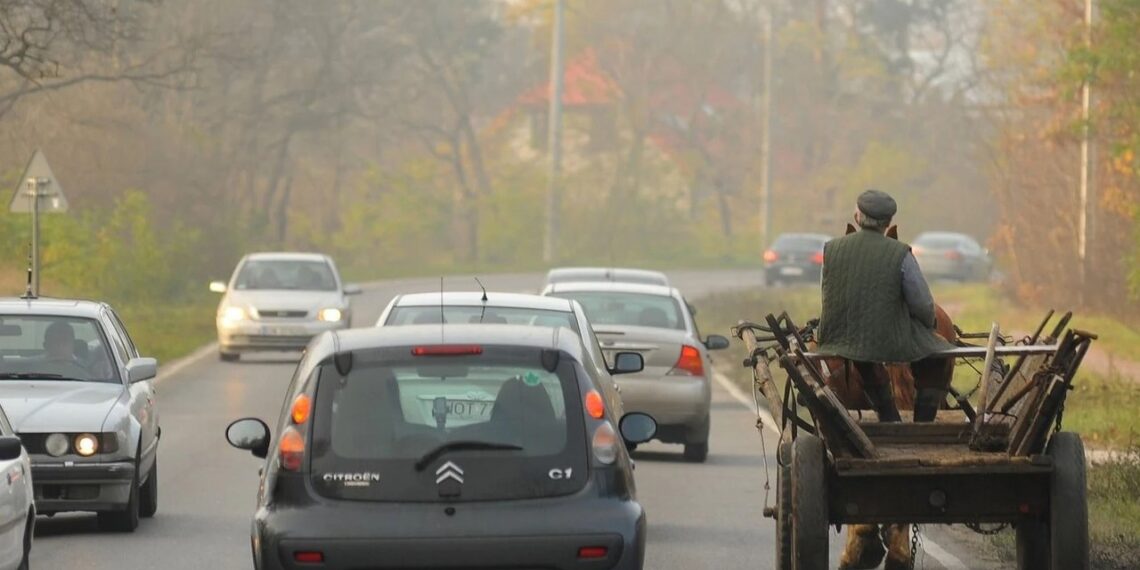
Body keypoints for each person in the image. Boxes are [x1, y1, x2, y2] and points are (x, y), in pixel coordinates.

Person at [816, 189, 953, 422]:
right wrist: (928, 324)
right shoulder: (900, 254)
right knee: (939, 355)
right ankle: (923, 422)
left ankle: (887, 412)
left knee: (864, 356)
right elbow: (921, 304)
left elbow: (827, 294)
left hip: (837, 338)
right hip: (889, 340)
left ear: (857, 218)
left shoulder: (831, 250)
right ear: (889, 222)